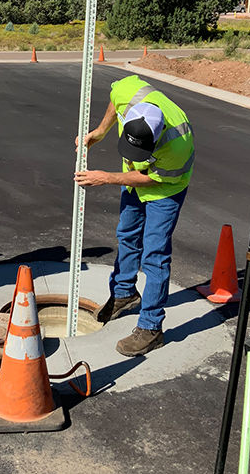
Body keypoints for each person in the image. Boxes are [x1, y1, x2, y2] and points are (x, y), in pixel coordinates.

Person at [75, 75, 194, 357]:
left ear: (158, 134)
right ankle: (124, 293)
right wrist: (100, 132)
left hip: (165, 189)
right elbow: (114, 101)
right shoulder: (130, 94)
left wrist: (105, 178)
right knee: (126, 234)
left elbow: (151, 179)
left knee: (155, 254)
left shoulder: (177, 144)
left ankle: (152, 328)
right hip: (134, 180)